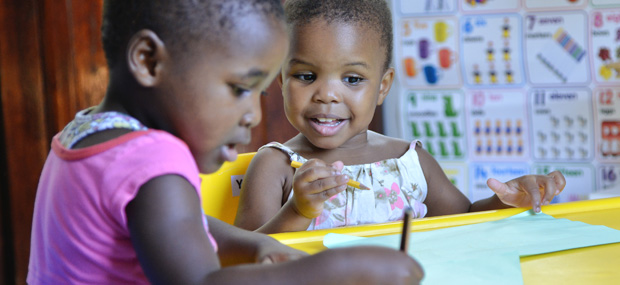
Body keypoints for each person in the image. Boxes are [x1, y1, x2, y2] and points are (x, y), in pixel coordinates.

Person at [27, 0, 424, 284]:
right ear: (149, 61)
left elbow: (187, 225)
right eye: (239, 88)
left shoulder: (85, 132)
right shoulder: (154, 162)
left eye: (260, 92)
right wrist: (338, 270)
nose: (252, 114)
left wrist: (253, 247)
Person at [234, 0, 567, 233]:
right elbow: (246, 259)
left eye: (352, 79)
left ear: (382, 87)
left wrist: (507, 200)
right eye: (306, 76)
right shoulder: (275, 166)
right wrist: (297, 211)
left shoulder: (409, 161)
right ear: (282, 81)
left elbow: (464, 220)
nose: (327, 94)